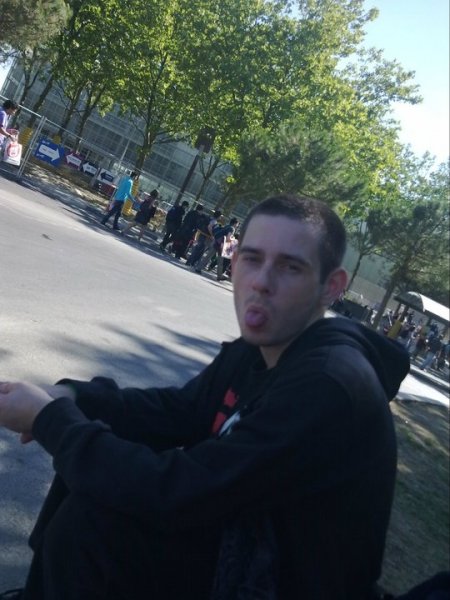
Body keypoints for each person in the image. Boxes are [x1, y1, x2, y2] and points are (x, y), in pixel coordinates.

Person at [0, 194, 410, 600]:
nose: (261, 282)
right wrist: (72, 396)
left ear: (331, 287)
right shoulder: (257, 349)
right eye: (251, 259)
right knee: (100, 462)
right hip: (244, 543)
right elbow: (177, 410)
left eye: (290, 267)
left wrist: (50, 420)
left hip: (281, 580)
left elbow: (181, 491)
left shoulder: (329, 385)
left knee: (95, 514)